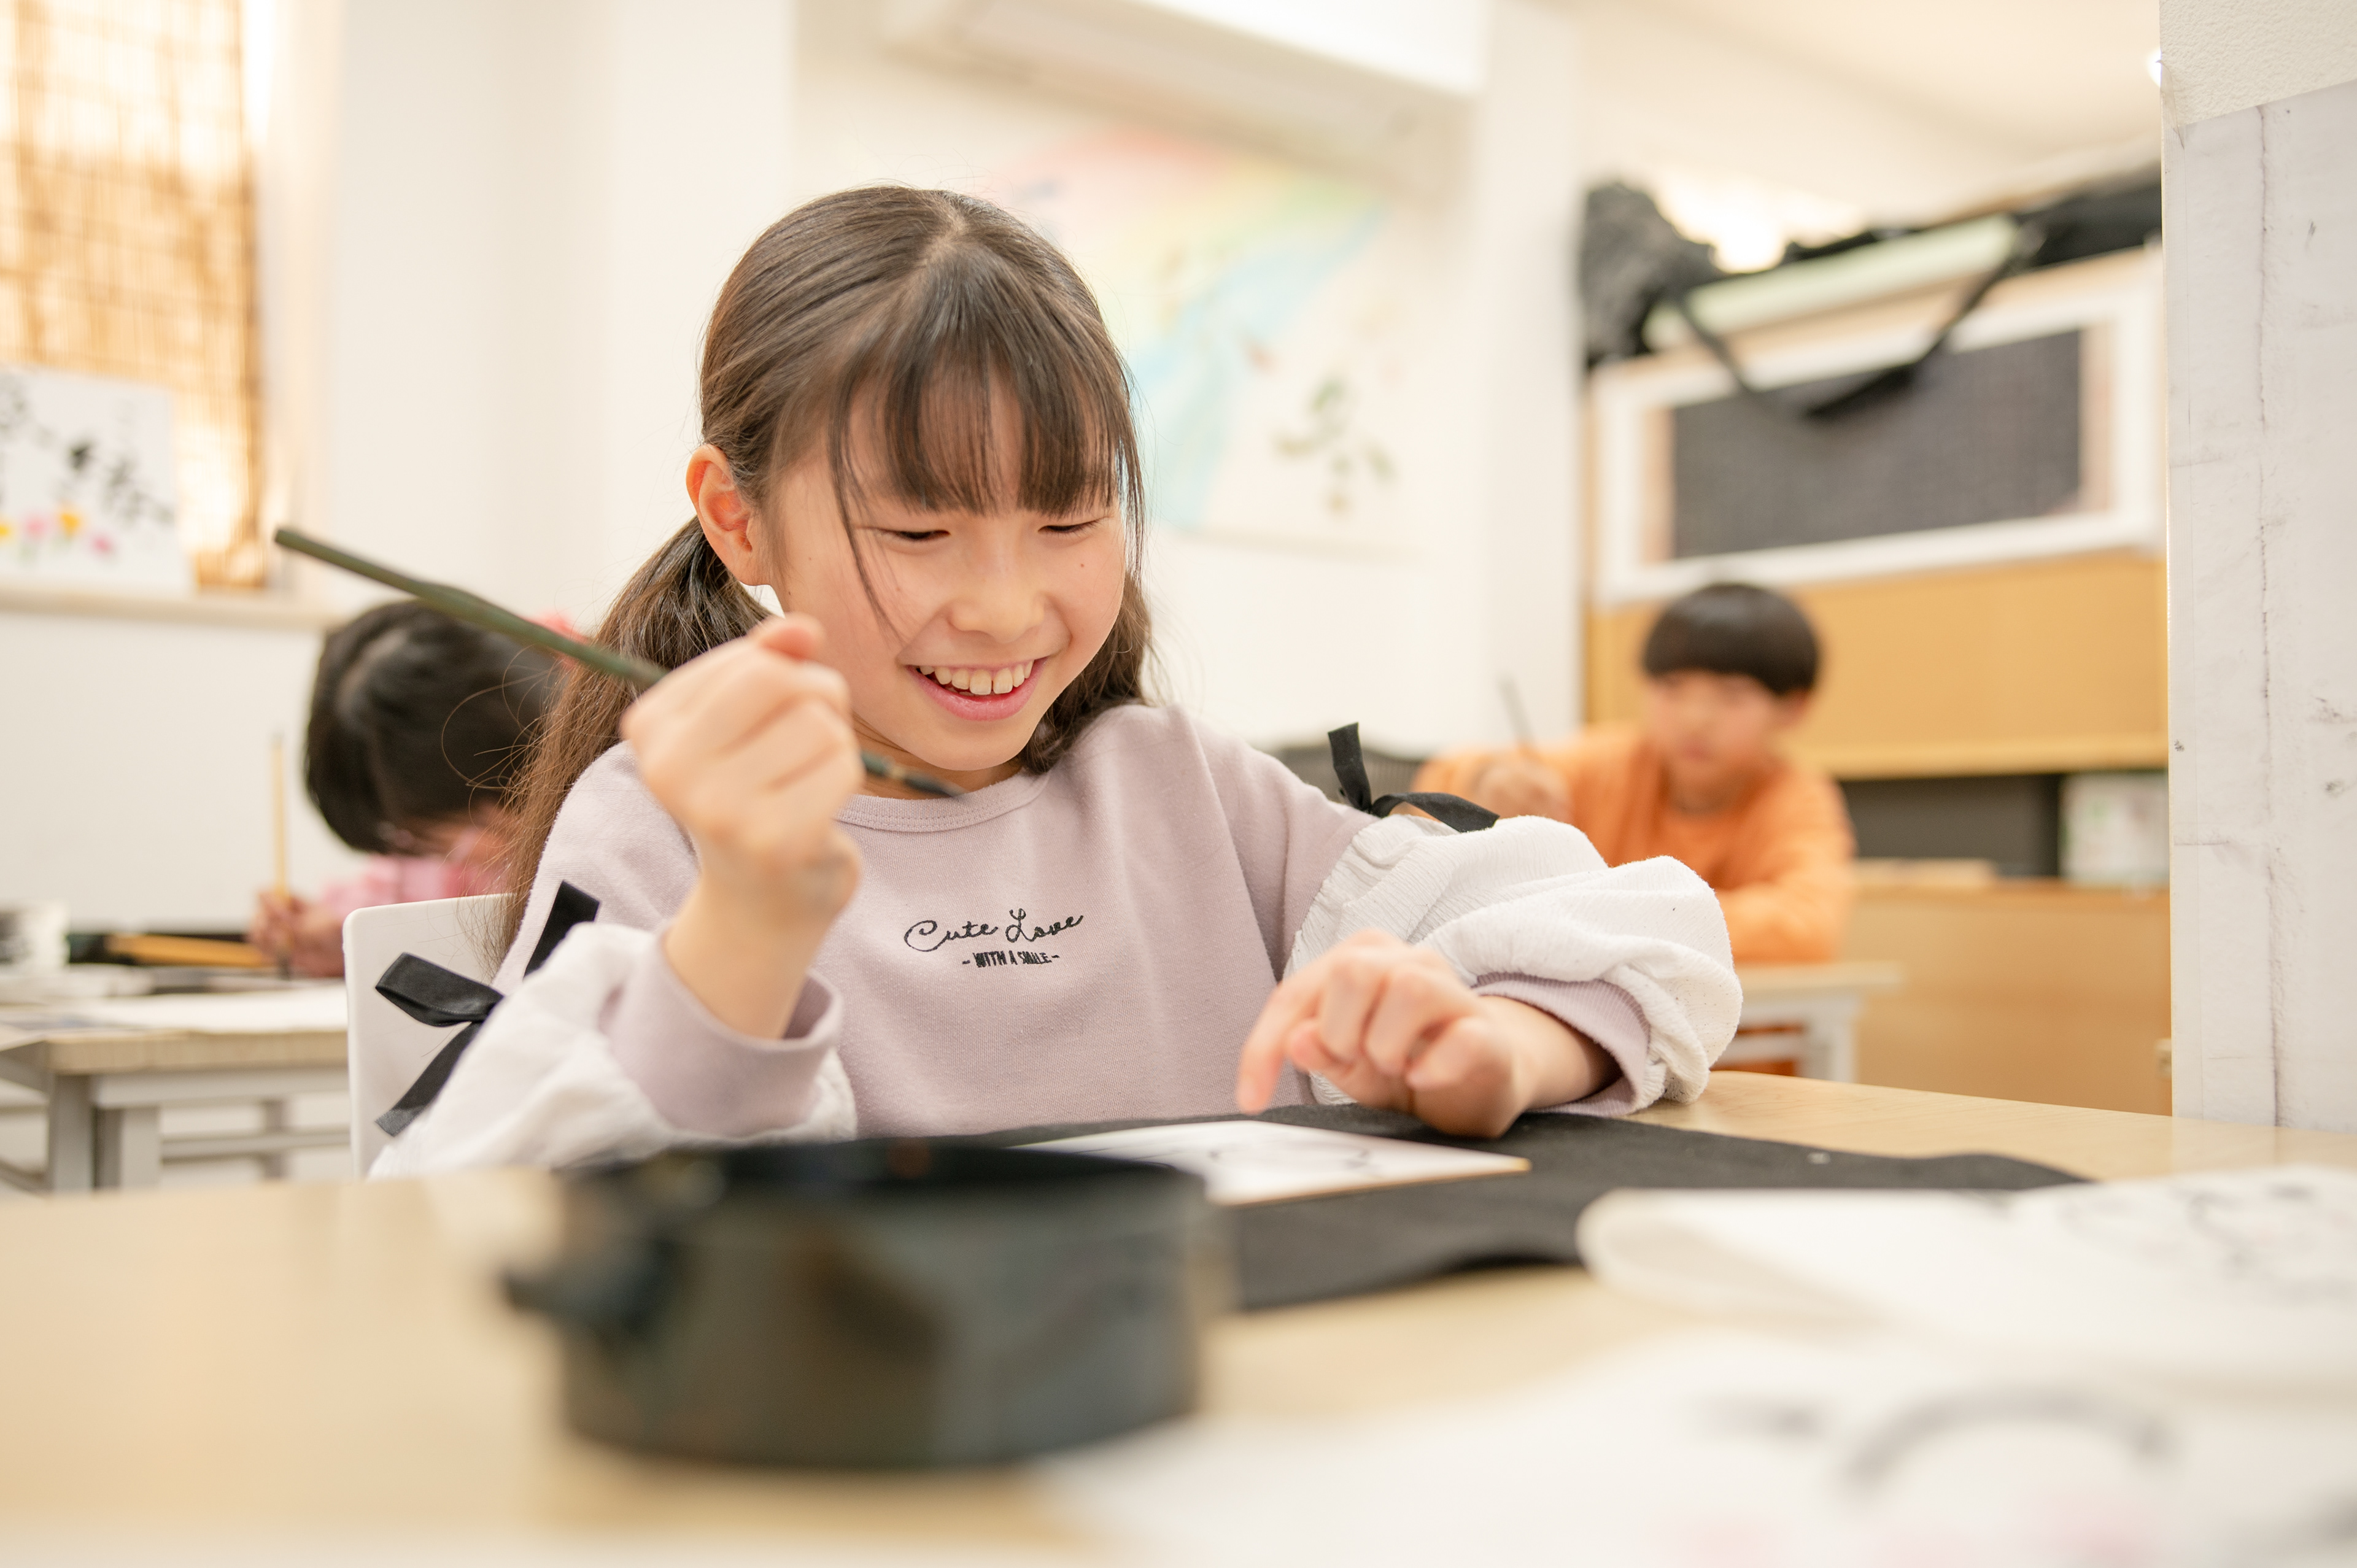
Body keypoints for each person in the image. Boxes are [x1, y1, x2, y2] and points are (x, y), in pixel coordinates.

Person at [373, 188, 1740, 1178]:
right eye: (919, 530)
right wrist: (741, 928)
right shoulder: (660, 820)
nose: (1005, 604)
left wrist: (1497, 1045)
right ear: (740, 522)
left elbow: (1644, 936)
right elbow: (486, 1200)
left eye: (1070, 519)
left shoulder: (1177, 785)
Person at [1415, 584, 1854, 964]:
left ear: (1793, 707)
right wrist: (1487, 780)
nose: (1695, 718)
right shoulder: (1610, 764)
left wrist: (1609, 913)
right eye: (1672, 688)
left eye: (1731, 695)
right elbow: (1435, 785)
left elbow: (1807, 926)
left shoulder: (1797, 798)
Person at [247, 603, 561, 977]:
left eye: (475, 823)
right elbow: (397, 899)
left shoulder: (613, 742)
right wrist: (349, 945)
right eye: (418, 838)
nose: (459, 853)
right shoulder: (416, 810)